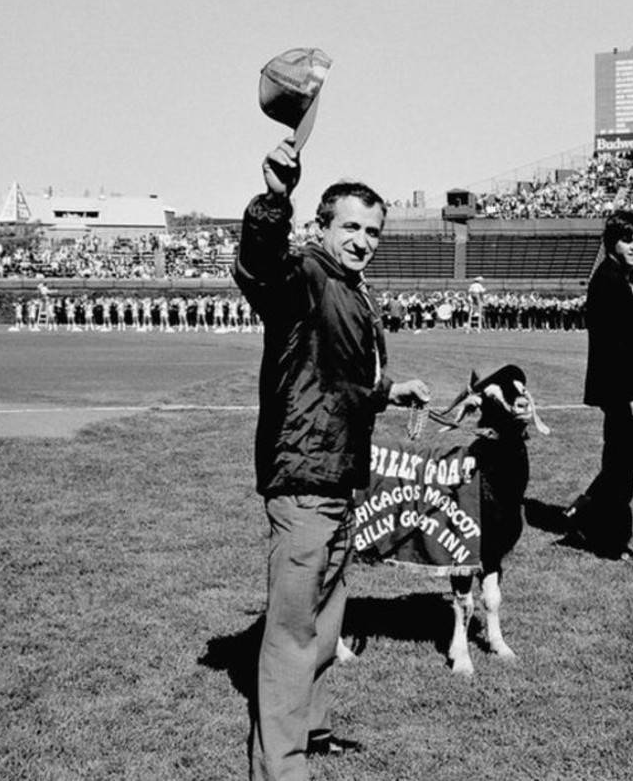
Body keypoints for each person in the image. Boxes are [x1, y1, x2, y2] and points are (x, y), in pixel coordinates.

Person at [232, 136, 430, 781]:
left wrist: (385, 390)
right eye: (351, 225)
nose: (363, 238)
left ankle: (310, 731)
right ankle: (281, 768)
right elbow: (261, 267)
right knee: (291, 632)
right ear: (321, 225)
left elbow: (337, 374)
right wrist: (274, 200)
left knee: (324, 620)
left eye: (373, 230)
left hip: (341, 473)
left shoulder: (350, 287)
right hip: (305, 477)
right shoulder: (309, 274)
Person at [562, 210, 633, 561]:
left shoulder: (624, 276)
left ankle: (587, 513)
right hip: (621, 388)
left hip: (629, 382)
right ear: (612, 242)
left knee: (629, 454)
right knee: (626, 456)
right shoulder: (608, 278)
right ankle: (609, 540)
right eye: (628, 239)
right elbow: (613, 344)